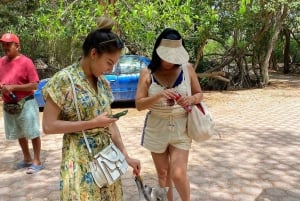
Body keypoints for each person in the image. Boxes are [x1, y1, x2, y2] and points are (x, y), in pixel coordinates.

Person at [42, 16, 141, 201]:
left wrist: (126, 156)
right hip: (79, 162)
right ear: (94, 53)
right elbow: (48, 126)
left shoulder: (103, 82)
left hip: (108, 163)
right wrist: (90, 124)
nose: (111, 69)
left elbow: (111, 124)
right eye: (109, 63)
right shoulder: (64, 80)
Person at [135, 28, 203, 201]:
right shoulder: (147, 73)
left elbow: (199, 94)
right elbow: (139, 104)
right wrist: (158, 95)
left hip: (181, 126)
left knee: (178, 174)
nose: (169, 61)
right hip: (156, 128)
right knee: (163, 175)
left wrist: (191, 99)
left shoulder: (186, 69)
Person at [0, 33, 44, 174]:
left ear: (17, 46)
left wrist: (13, 87)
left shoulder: (26, 62)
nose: (5, 47)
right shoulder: (1, 62)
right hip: (9, 104)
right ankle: (26, 158)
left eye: (8, 44)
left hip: (26, 103)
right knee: (20, 133)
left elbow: (34, 85)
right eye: (3, 44)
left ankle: (37, 161)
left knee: (32, 132)